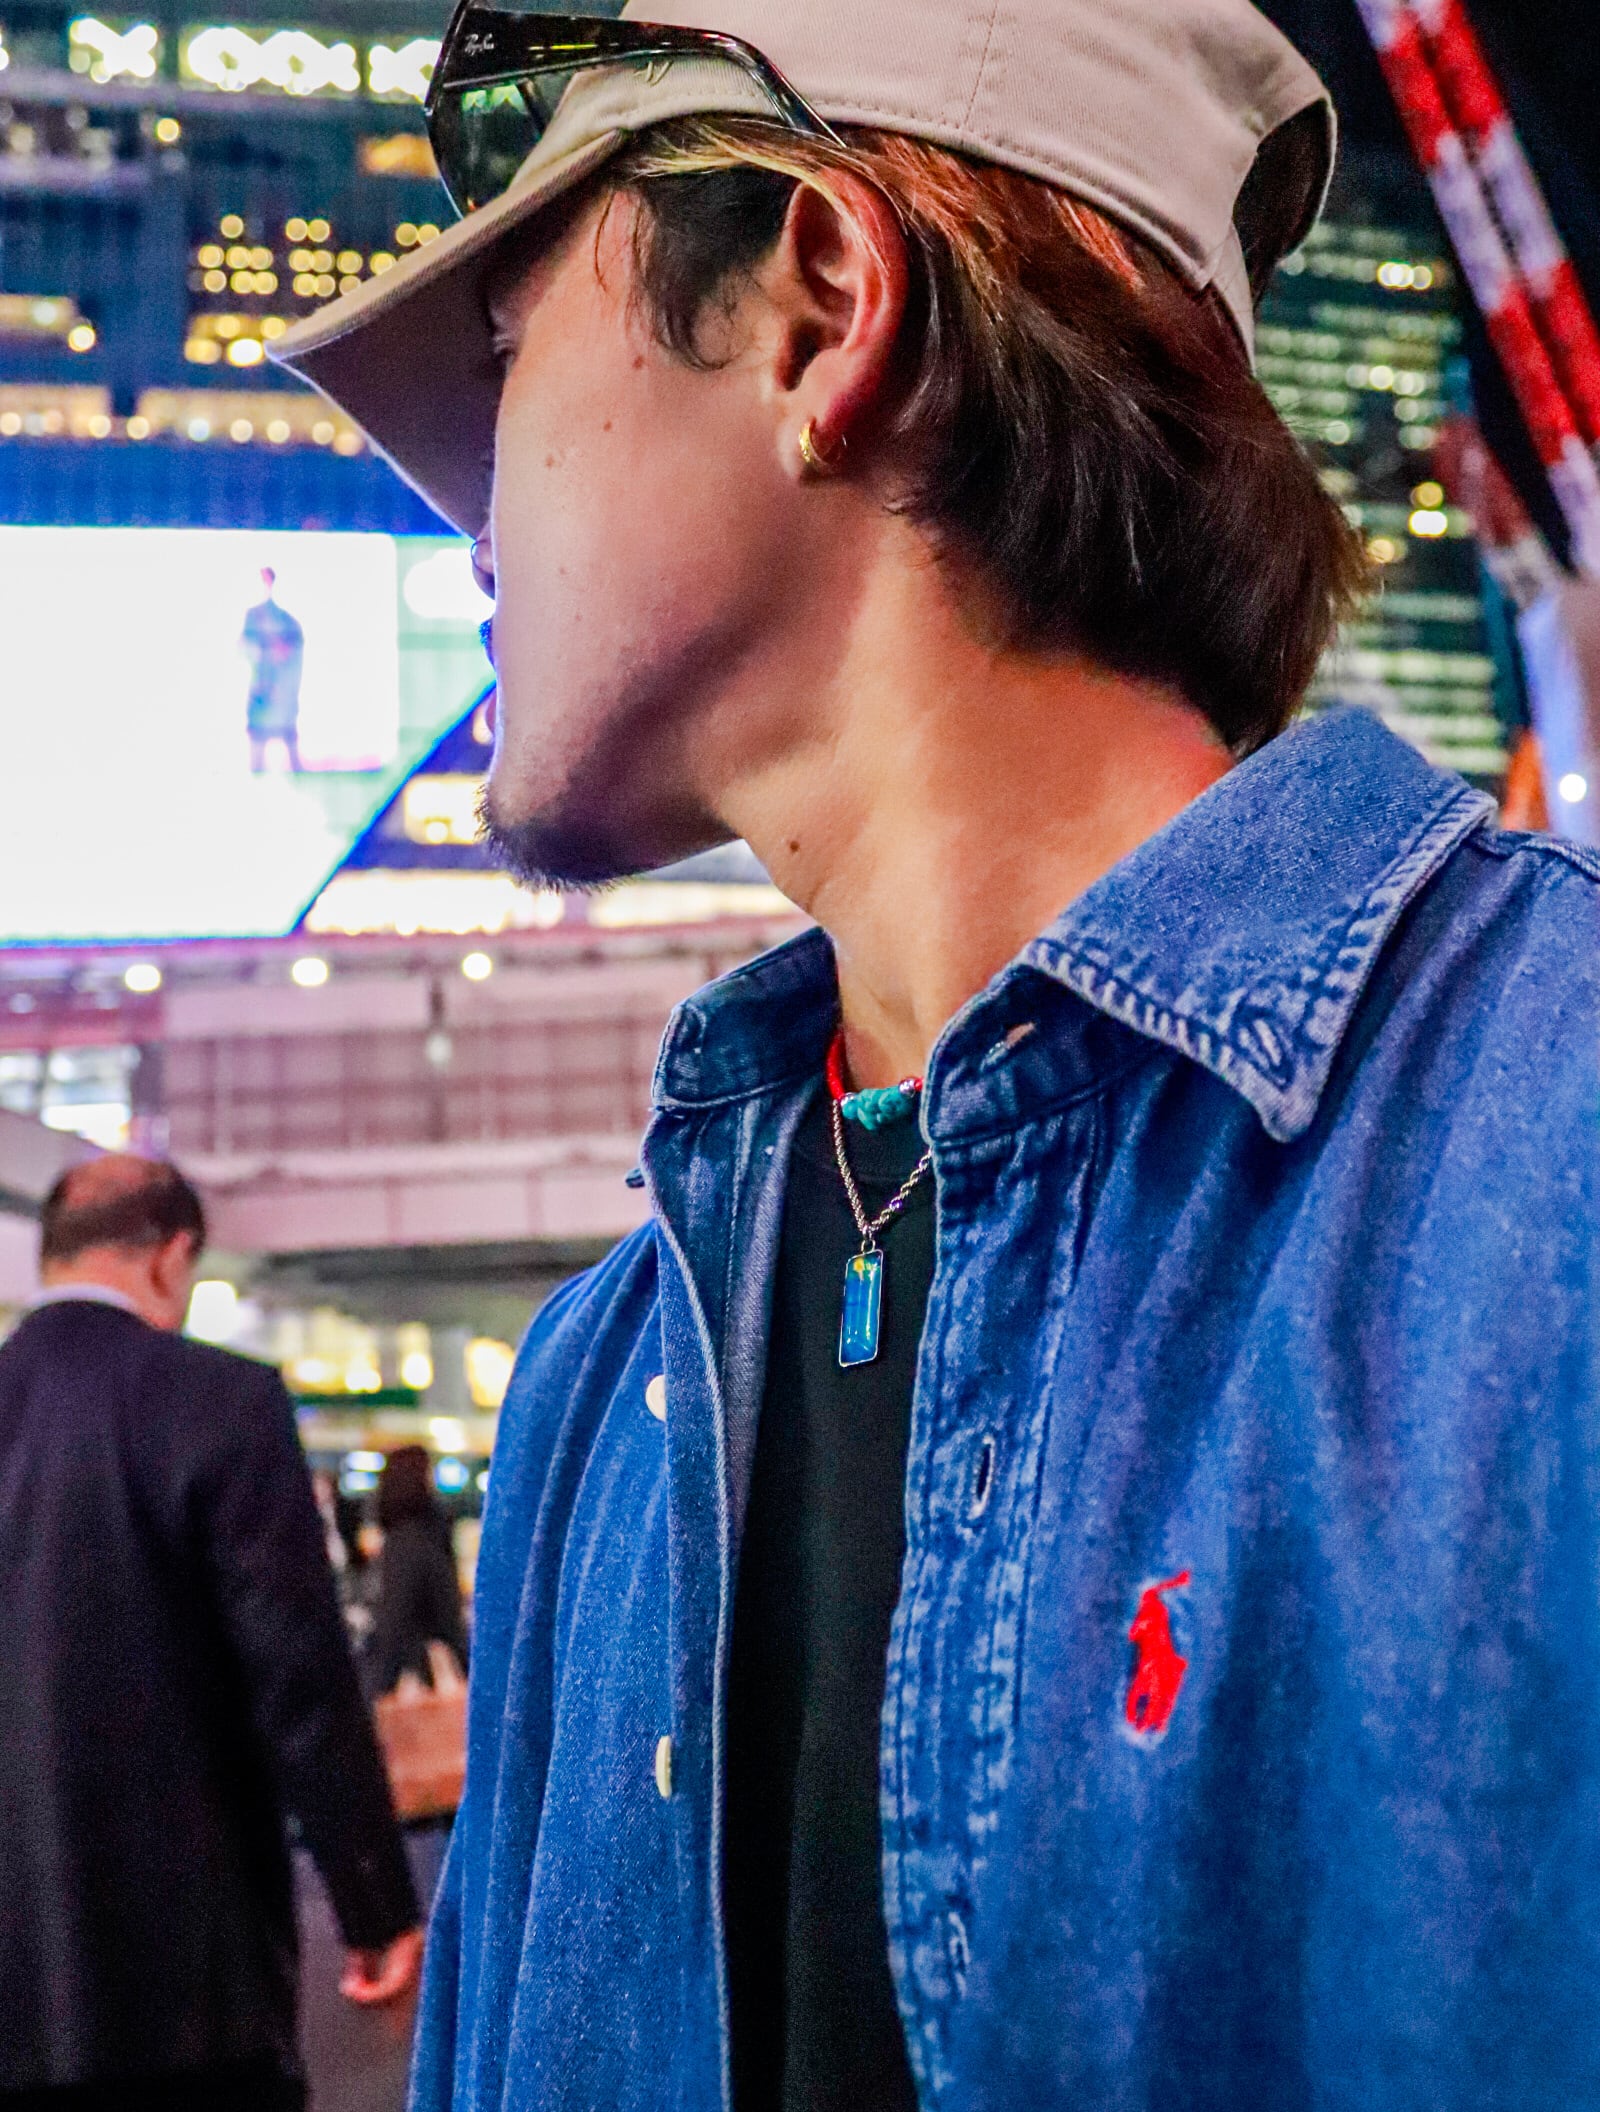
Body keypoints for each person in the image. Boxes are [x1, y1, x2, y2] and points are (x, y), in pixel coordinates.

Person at [275, 2, 1600, 2107]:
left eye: (508, 350)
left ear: (820, 306)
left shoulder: (1558, 1156)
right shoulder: (600, 1392)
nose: (461, 510)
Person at [0, 1156, 424, 2110]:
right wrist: (373, 1903)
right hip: (184, 1982)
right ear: (171, 1256)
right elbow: (297, 1681)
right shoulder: (217, 1402)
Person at [366, 1444, 469, 1697]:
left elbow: (393, 1620)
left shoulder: (399, 1540)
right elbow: (445, 1615)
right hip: (422, 1674)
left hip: (409, 1674)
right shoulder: (423, 1539)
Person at [242, 566, 305, 773]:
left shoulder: (289, 621)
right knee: (256, 761)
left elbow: (295, 649)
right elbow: (245, 647)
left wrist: (283, 651)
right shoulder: (252, 617)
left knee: (291, 751)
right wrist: (266, 651)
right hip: (260, 696)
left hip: (284, 701)